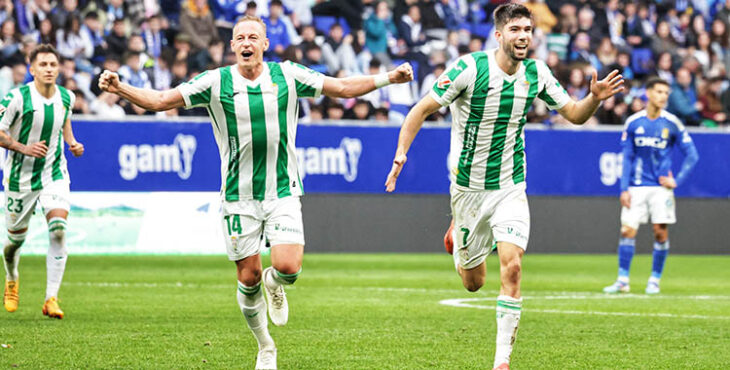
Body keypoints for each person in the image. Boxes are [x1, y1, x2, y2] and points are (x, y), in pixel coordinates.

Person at [98, 15, 412, 370]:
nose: (246, 43)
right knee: (246, 279)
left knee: (288, 267)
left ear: (264, 44)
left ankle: (274, 283)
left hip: (282, 190)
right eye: (239, 38)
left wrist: (389, 78)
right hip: (238, 196)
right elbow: (159, 100)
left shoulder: (288, 75)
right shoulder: (215, 82)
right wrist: (120, 87)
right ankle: (265, 347)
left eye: (253, 37)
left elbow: (340, 88)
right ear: (232, 46)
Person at [383, 4, 623, 370]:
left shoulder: (537, 72)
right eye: (515, 29)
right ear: (499, 35)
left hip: (510, 186)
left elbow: (575, 114)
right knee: (473, 283)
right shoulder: (469, 68)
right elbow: (420, 110)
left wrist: (593, 98)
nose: (524, 35)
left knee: (512, 267)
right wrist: (401, 154)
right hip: (467, 191)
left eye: (528, 29)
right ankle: (457, 241)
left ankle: (501, 362)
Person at [0, 44, 85, 319]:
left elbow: (64, 123)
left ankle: (51, 298)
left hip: (54, 173)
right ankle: (12, 278)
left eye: (53, 64)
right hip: (19, 178)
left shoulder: (67, 97)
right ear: (32, 69)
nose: (49, 69)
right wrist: (24, 147)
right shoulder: (16, 98)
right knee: (14, 243)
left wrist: (72, 143)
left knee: (58, 230)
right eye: (43, 65)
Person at [603, 78, 699, 295]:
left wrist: (677, 180)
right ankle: (622, 280)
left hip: (660, 188)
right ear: (648, 93)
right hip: (636, 186)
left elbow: (692, 155)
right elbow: (626, 157)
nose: (663, 96)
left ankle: (654, 279)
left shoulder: (672, 122)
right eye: (659, 91)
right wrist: (624, 188)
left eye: (666, 92)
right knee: (627, 230)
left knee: (660, 233)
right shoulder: (634, 122)